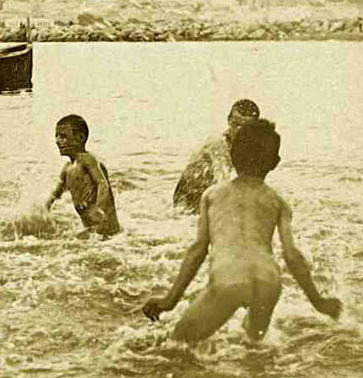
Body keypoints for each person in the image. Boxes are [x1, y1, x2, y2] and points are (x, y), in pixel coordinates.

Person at [143, 119, 342, 343]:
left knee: (178, 343)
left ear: (232, 155)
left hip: (229, 280)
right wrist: (318, 301)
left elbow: (197, 251)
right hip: (269, 283)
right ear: (275, 163)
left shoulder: (213, 195)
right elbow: (292, 256)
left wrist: (169, 301)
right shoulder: (278, 202)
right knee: (253, 347)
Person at [172, 98, 260, 213]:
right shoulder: (216, 147)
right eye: (236, 124)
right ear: (228, 120)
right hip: (191, 198)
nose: (239, 131)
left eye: (245, 127)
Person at [45, 114, 120, 237]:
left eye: (63, 136)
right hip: (93, 231)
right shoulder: (67, 169)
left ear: (80, 138)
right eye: (56, 136)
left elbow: (102, 183)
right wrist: (42, 212)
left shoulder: (88, 159)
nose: (57, 141)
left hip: (106, 229)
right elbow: (55, 194)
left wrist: (99, 209)